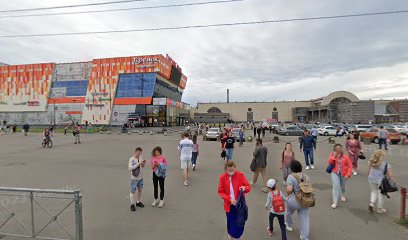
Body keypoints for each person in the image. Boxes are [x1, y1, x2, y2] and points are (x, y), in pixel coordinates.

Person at [218, 160, 251, 240]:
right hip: (229, 206)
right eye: (229, 170)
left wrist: (244, 188)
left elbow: (248, 187)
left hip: (239, 205)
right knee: (231, 223)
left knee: (240, 223)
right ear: (226, 169)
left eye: (232, 170)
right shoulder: (222, 177)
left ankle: (238, 236)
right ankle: (230, 236)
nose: (231, 172)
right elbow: (220, 191)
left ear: (235, 168)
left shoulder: (240, 175)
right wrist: (229, 199)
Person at [285, 160, 311, 240]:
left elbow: (289, 189)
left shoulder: (291, 177)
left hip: (294, 200)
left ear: (292, 168)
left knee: (288, 212)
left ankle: (289, 225)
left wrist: (287, 196)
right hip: (305, 200)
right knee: (305, 218)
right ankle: (304, 237)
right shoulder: (306, 176)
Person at [368, 150, 394, 214]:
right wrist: (392, 182)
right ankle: (380, 209)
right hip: (381, 181)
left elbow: (369, 171)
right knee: (381, 194)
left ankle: (372, 203)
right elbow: (390, 175)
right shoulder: (386, 164)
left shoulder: (370, 162)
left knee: (374, 191)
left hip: (371, 179)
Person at [327, 144, 353, 209]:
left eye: (340, 148)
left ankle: (343, 195)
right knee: (336, 186)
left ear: (341, 149)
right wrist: (334, 156)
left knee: (343, 186)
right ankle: (335, 202)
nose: (338, 150)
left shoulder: (345, 157)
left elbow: (350, 166)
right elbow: (329, 162)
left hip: (344, 174)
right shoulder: (332, 155)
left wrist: (348, 174)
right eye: (337, 149)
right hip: (335, 173)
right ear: (335, 149)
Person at [128, 147, 146, 212]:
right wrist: (138, 164)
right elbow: (130, 168)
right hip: (134, 178)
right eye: (138, 153)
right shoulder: (131, 159)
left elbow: (143, 166)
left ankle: (138, 202)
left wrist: (143, 164)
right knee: (132, 191)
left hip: (140, 177)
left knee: (140, 190)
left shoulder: (141, 157)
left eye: (140, 153)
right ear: (135, 152)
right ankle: (132, 204)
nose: (139, 154)